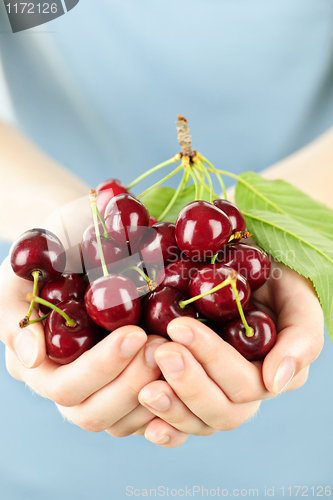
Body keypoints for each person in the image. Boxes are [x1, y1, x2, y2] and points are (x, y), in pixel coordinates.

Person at [0, 1, 332, 497]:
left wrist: (268, 224)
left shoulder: (219, 268)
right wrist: (59, 212)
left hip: (300, 444)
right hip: (42, 451)